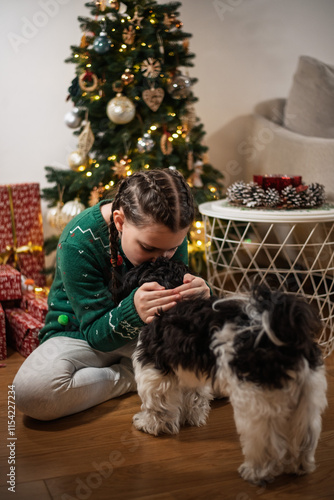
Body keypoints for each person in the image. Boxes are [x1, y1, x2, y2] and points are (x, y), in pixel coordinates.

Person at [13, 168, 210, 420]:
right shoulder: (79, 240)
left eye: (172, 249)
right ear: (119, 221)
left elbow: (178, 303)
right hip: (83, 336)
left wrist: (200, 294)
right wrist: (133, 312)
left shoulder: (169, 231)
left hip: (151, 335)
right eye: (148, 248)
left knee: (230, 372)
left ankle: (151, 373)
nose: (162, 259)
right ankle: (135, 376)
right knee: (32, 392)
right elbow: (96, 335)